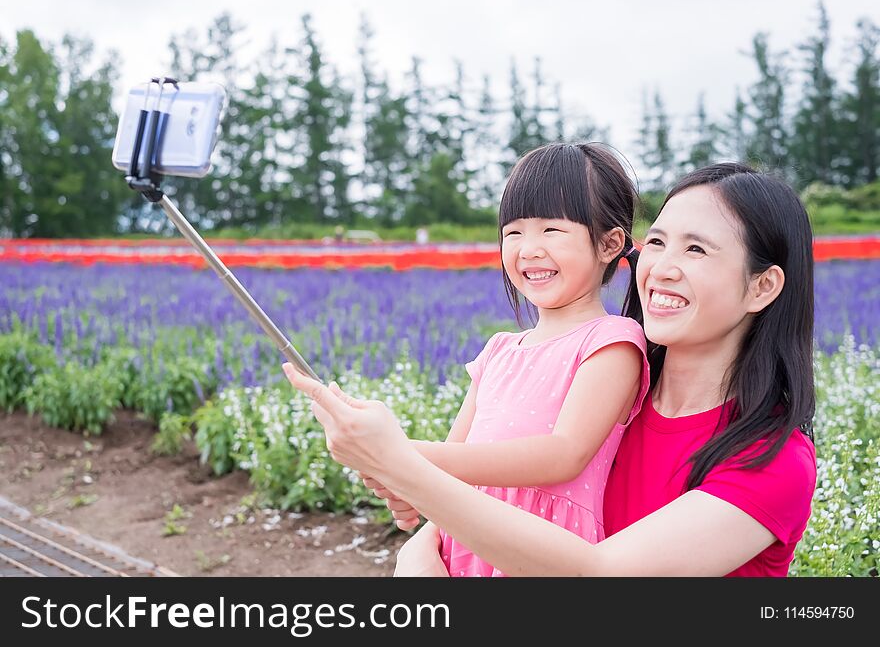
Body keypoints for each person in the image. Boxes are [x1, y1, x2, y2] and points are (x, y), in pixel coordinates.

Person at [283, 162, 817, 577]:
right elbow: (496, 497)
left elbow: (599, 575)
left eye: (697, 249)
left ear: (761, 286)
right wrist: (420, 549)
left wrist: (400, 460)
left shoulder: (770, 462)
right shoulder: (612, 400)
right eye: (656, 241)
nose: (661, 268)